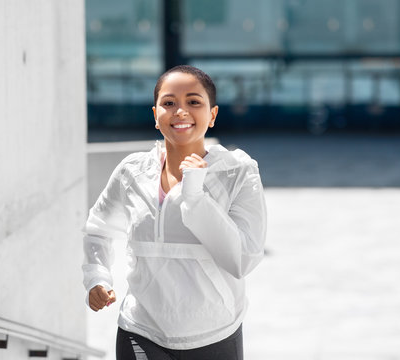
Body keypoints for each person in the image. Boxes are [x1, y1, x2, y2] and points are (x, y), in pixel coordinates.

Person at [82, 65, 267, 360]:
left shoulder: (238, 172)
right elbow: (99, 229)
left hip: (214, 334)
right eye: (169, 103)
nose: (180, 111)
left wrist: (194, 196)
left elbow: (242, 259)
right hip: (140, 330)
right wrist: (97, 276)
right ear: (155, 115)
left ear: (213, 114)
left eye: (193, 102)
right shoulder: (132, 171)